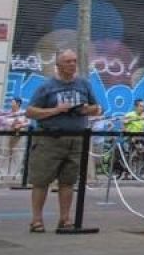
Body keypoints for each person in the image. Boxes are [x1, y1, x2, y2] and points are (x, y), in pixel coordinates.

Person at [24, 49, 101, 232]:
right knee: (41, 180)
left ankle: (65, 219)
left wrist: (85, 110)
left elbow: (97, 108)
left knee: (68, 181)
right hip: (50, 139)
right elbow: (31, 111)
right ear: (58, 65)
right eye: (68, 61)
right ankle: (37, 220)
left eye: (74, 61)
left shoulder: (84, 85)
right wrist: (56, 110)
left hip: (76, 139)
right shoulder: (47, 87)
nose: (72, 64)